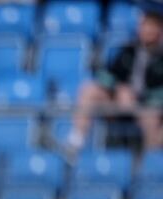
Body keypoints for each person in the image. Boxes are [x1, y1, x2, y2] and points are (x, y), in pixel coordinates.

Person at [67, 7, 163, 153]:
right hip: (119, 101)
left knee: (150, 117)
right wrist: (119, 88)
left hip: (147, 107)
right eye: (144, 25)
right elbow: (105, 74)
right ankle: (75, 143)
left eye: (152, 26)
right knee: (89, 90)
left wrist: (140, 98)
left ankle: (150, 160)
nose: (147, 30)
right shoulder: (128, 50)